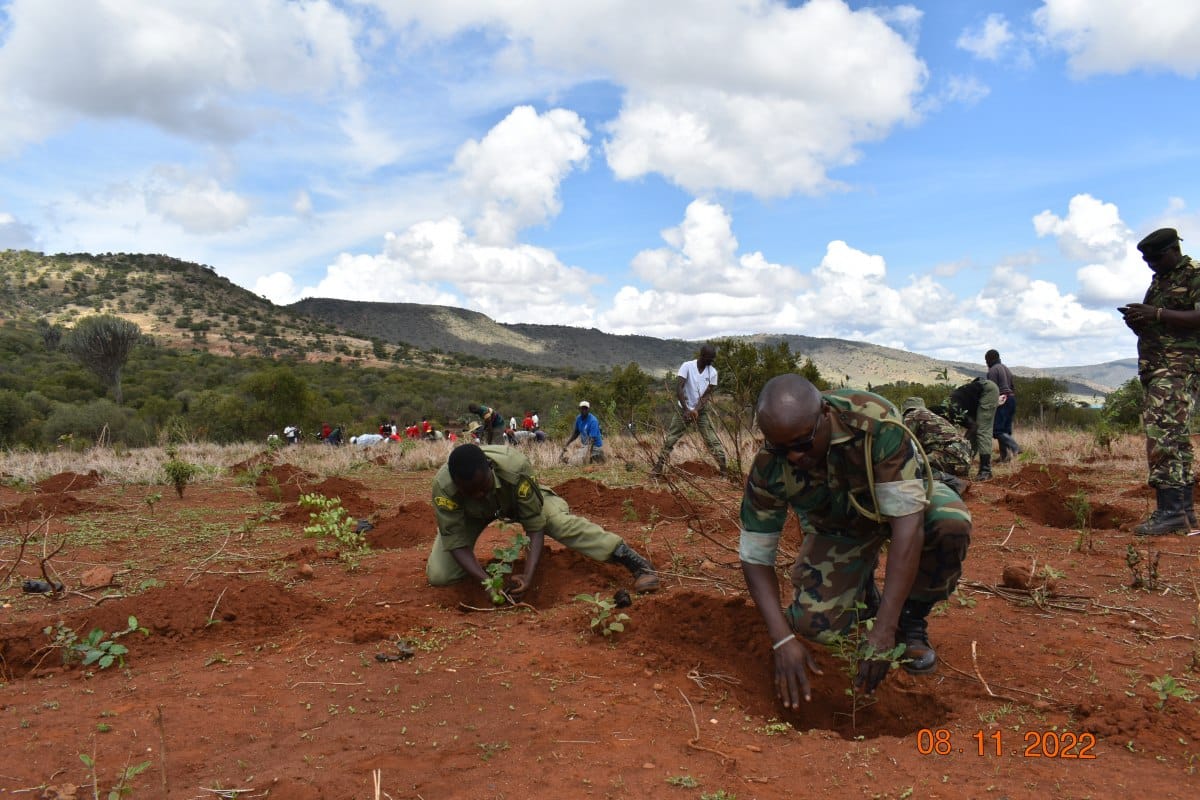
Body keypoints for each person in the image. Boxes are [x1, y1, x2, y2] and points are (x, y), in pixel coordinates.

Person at [739, 375, 971, 709]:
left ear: (824, 414)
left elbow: (908, 526)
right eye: (780, 448)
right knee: (815, 628)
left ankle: (910, 621)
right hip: (838, 530)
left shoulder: (875, 423)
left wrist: (885, 630)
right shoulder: (768, 466)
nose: (793, 457)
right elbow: (755, 555)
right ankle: (864, 594)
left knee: (950, 523)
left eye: (803, 444)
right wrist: (782, 638)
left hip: (899, 509)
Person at [427, 444, 660, 596]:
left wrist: (528, 576)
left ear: (490, 468)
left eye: (483, 487)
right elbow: (455, 539)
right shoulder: (443, 487)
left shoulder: (514, 468)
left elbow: (534, 521)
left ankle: (634, 562)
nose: (479, 495)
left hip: (519, 504)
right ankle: (484, 572)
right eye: (469, 492)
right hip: (473, 516)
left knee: (557, 522)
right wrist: (487, 583)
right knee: (439, 574)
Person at [1119, 227, 1200, 535]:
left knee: (1164, 436)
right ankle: (1183, 513)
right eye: (1145, 260)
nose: (1149, 264)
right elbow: (1160, 326)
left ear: (1172, 251)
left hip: (1179, 368)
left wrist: (1158, 313)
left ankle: (1171, 511)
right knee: (1172, 437)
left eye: (1154, 258)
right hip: (1157, 367)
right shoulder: (1159, 282)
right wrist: (1139, 323)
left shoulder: (1194, 274)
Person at [652, 344, 727, 476]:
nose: (711, 362)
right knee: (671, 438)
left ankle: (724, 470)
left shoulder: (713, 372)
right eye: (709, 359)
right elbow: (679, 388)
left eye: (713, 359)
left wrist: (696, 410)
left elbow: (706, 396)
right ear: (702, 356)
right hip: (683, 409)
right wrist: (687, 409)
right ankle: (659, 466)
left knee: (711, 439)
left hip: (701, 410)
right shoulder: (687, 366)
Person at [901, 397, 972, 495]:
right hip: (962, 457)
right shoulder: (932, 416)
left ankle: (954, 482)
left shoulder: (912, 415)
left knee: (910, 464)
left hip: (949, 454)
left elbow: (903, 443)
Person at [932, 378, 999, 481]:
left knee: (982, 429)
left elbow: (974, 427)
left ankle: (986, 470)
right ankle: (966, 464)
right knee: (975, 430)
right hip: (975, 396)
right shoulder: (946, 410)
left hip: (987, 390)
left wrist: (962, 443)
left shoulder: (952, 411)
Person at [986, 350, 1021, 462]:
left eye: (986, 360)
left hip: (1002, 400)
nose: (986, 363)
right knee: (1005, 430)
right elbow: (1012, 386)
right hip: (1011, 399)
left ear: (989, 359)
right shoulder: (1006, 369)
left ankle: (1014, 446)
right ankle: (1005, 457)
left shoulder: (992, 371)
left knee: (997, 430)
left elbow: (992, 389)